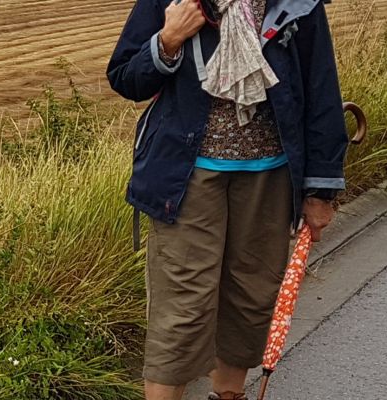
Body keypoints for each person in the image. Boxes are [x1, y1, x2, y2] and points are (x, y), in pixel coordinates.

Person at [105, 0, 347, 398]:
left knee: (250, 300)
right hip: (186, 178)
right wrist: (167, 40)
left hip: (270, 177)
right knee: (182, 309)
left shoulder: (297, 5)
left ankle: (230, 395)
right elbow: (125, 77)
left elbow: (321, 94)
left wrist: (321, 192)